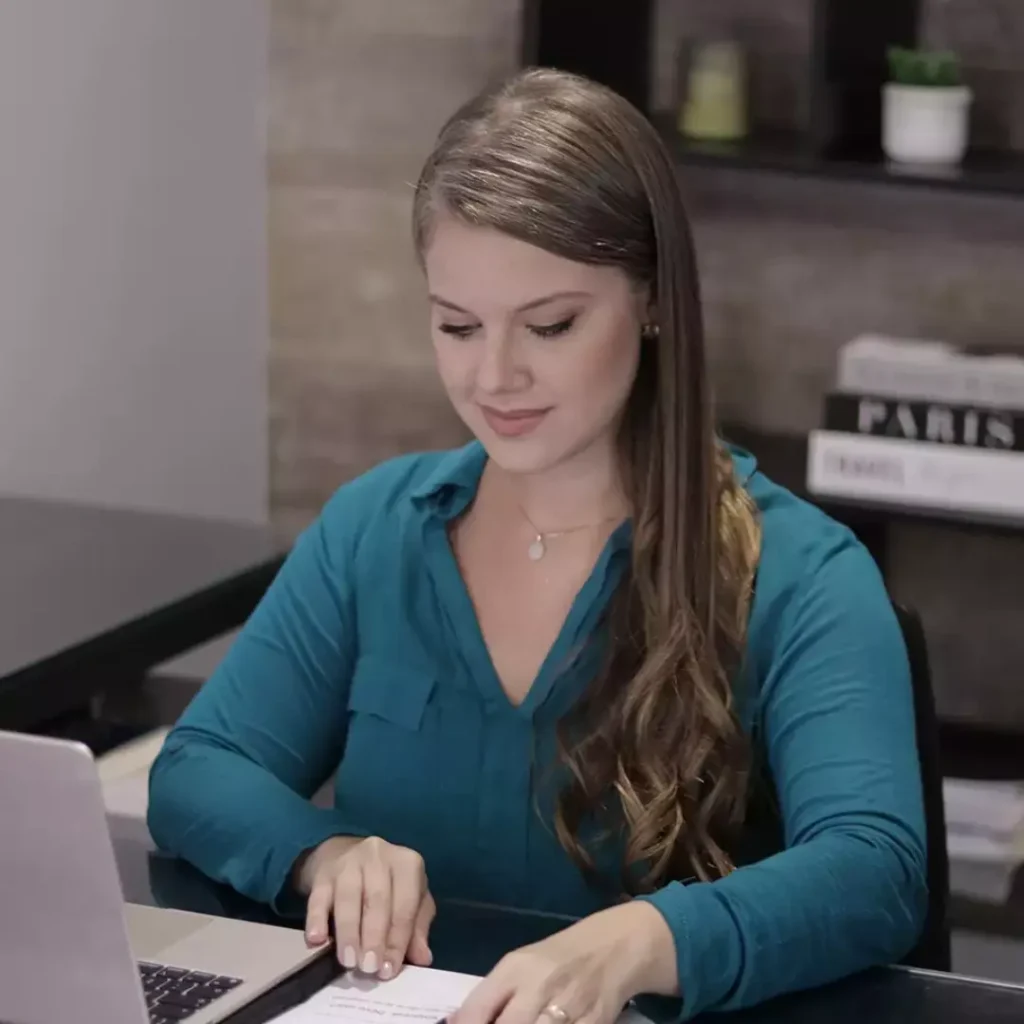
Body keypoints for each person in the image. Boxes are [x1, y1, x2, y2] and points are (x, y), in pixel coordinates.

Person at [148, 68, 927, 1022]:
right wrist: (328, 853)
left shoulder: (803, 574)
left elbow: (874, 870)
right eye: (457, 326)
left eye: (550, 325)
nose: (494, 376)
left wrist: (645, 941)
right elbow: (199, 768)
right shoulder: (373, 528)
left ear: (651, 299)